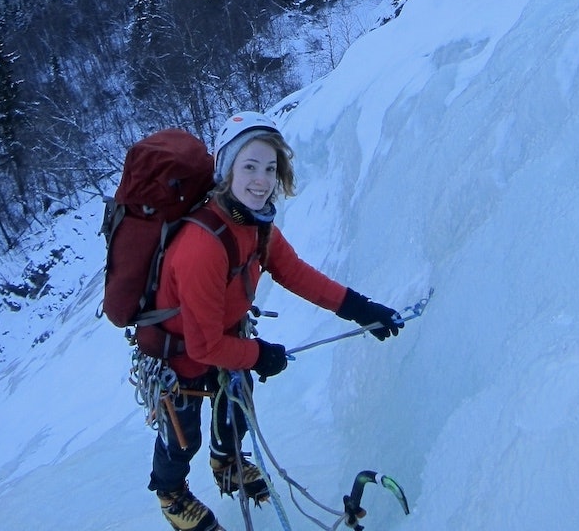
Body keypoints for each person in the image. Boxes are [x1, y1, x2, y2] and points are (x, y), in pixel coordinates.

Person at [147, 111, 403, 531]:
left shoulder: (256, 225)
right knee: (182, 431)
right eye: (249, 166)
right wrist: (259, 353)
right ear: (227, 169)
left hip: (221, 335)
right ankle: (171, 493)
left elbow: (295, 273)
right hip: (179, 350)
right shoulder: (202, 246)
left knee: (237, 402)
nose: (262, 179)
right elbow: (203, 347)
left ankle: (227, 462)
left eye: (270, 168)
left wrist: (362, 308)